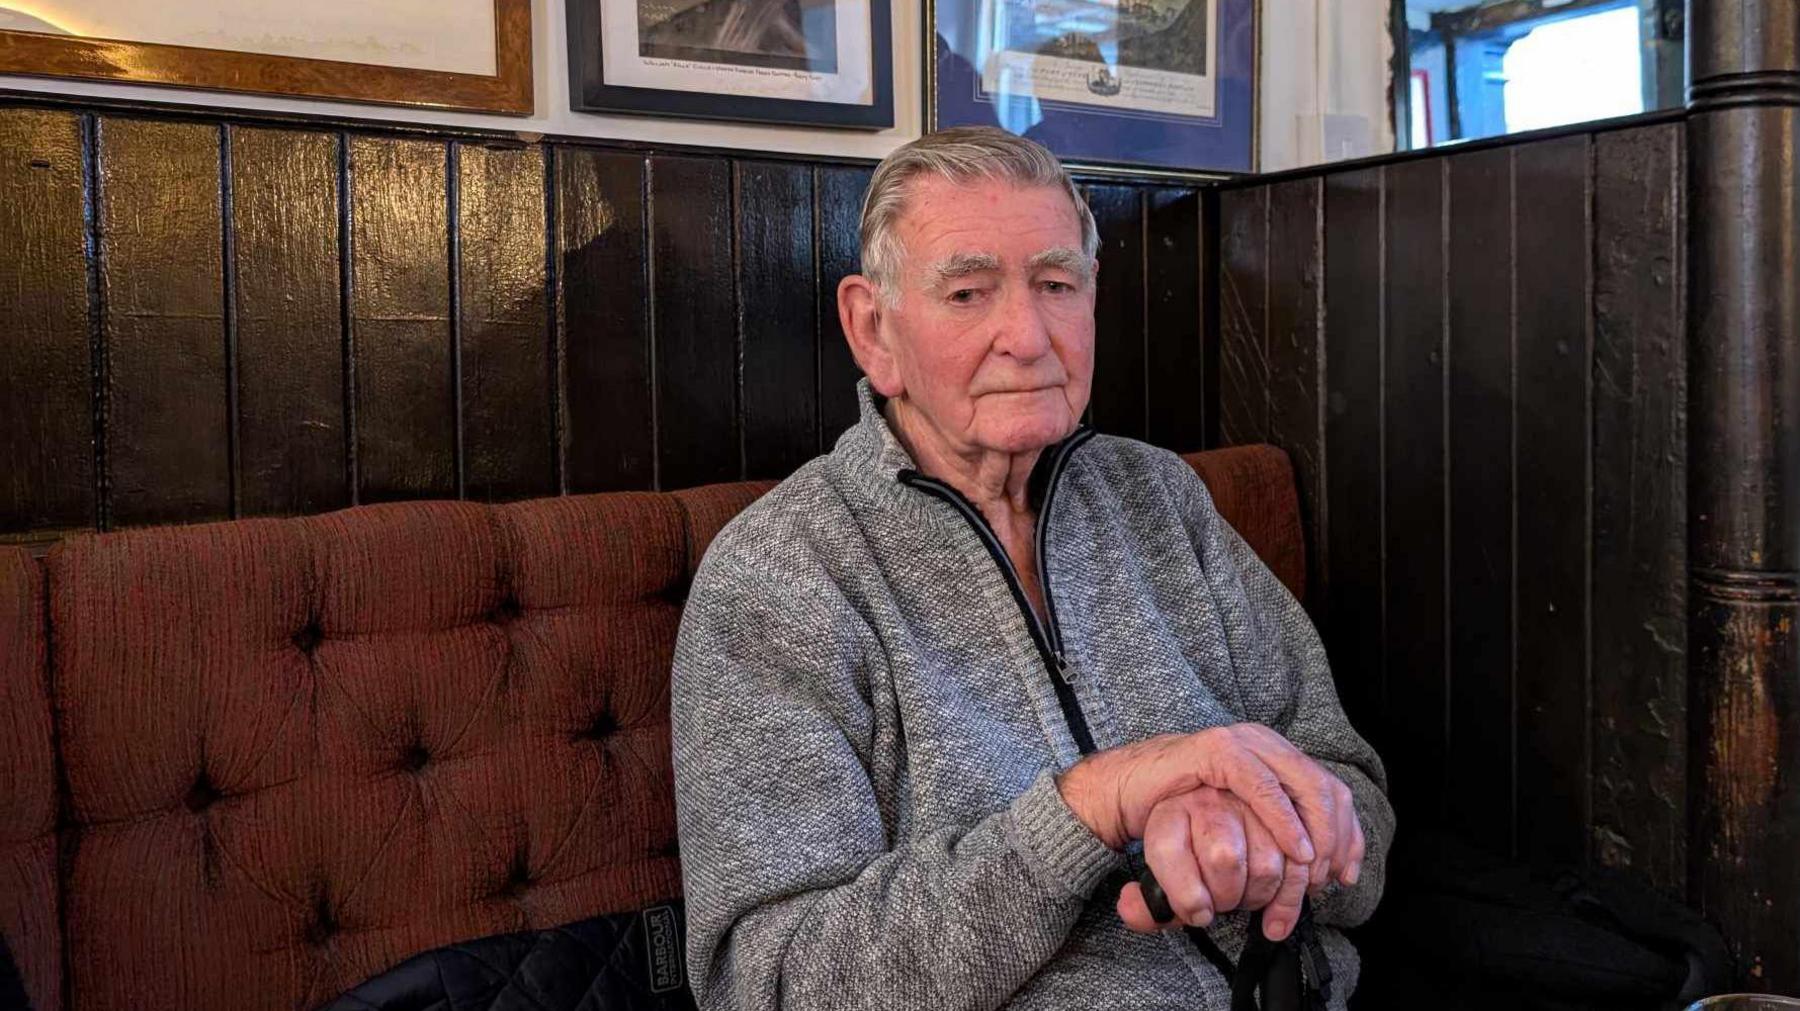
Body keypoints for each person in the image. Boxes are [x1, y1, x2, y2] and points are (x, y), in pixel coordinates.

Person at [670, 126, 1393, 1010]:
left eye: (1056, 284)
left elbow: (1355, 809)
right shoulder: (781, 575)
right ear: (873, 328)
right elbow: (775, 985)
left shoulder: (1159, 495)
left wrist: (1251, 830)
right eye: (969, 292)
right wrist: (1090, 808)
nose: (1027, 333)